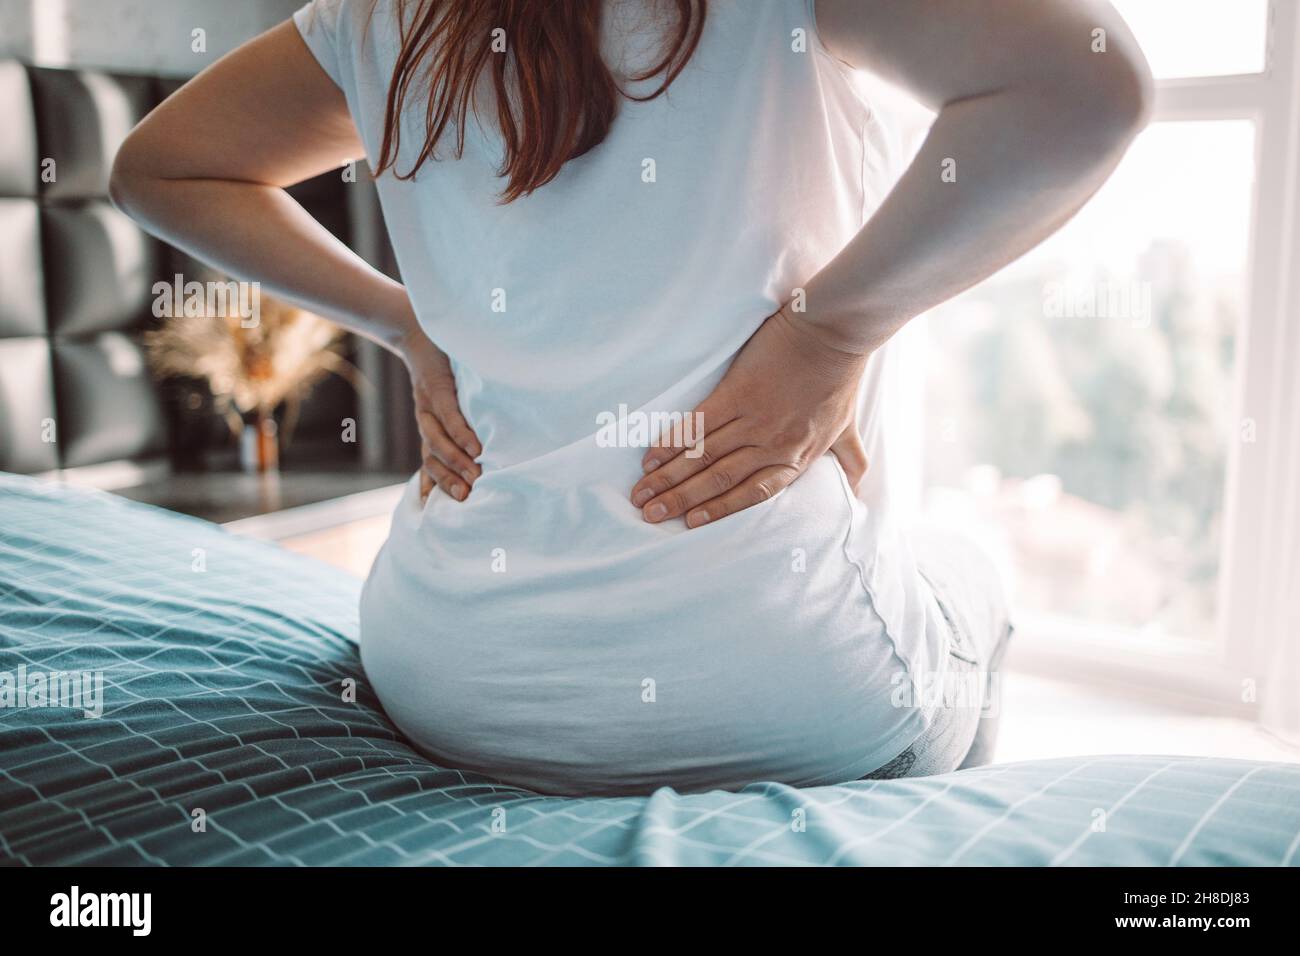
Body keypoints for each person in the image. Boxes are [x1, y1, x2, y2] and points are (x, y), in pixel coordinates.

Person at [110, 0, 1151, 795]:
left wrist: (399, 319)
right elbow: (1086, 88)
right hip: (782, 685)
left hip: (450, 677)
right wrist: (833, 327)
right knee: (974, 575)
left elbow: (158, 167)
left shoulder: (388, 14)